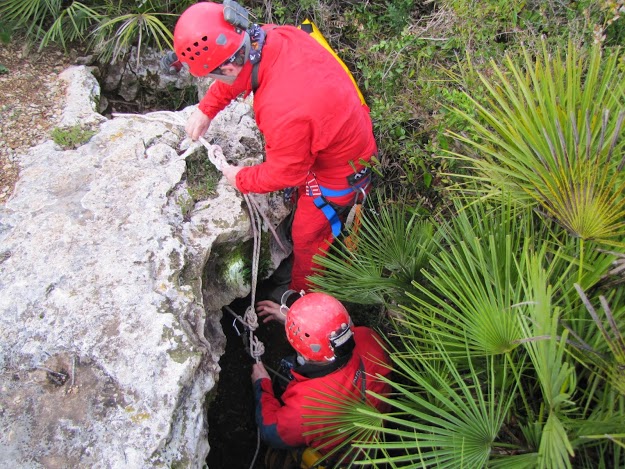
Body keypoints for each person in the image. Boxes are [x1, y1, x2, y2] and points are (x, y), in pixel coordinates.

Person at [171, 1, 377, 296]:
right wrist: (206, 109)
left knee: (307, 237)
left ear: (227, 66)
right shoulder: (271, 37)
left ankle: (299, 295)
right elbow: (239, 72)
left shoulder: (283, 108)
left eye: (213, 75)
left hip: (340, 174)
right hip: (339, 141)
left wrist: (238, 177)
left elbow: (286, 173)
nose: (216, 80)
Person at [252, 291, 392, 467]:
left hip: (345, 457)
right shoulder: (369, 337)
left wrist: (261, 384)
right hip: (373, 431)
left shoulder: (307, 407)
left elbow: (270, 431)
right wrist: (295, 320)